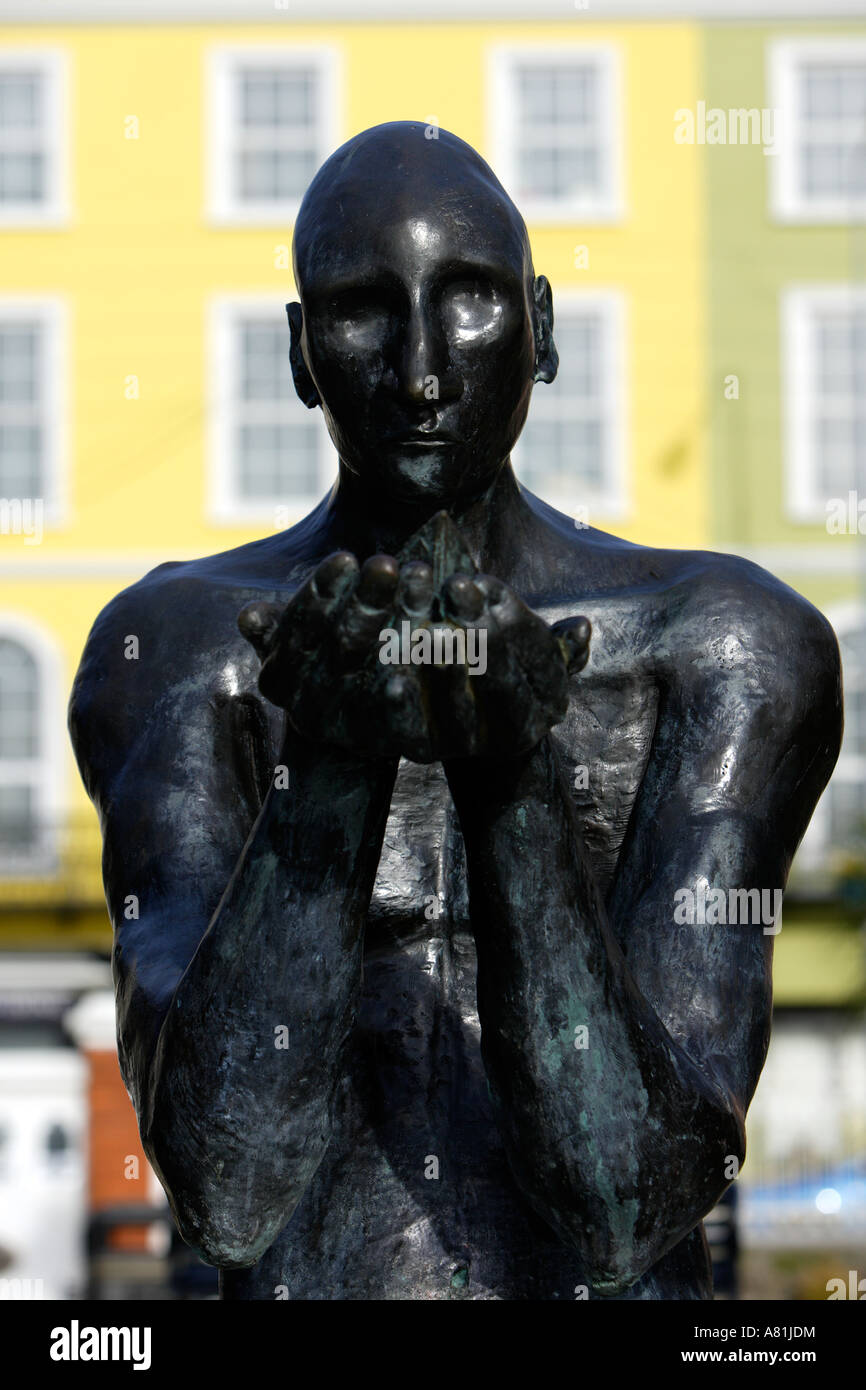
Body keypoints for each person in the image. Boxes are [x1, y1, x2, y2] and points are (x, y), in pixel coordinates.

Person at [69, 122, 842, 1300]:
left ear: (540, 329)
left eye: (470, 302)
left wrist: (510, 788)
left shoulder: (723, 646)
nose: (422, 367)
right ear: (297, 352)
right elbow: (227, 1187)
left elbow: (626, 1194)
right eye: (362, 310)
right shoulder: (177, 652)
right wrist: (326, 774)